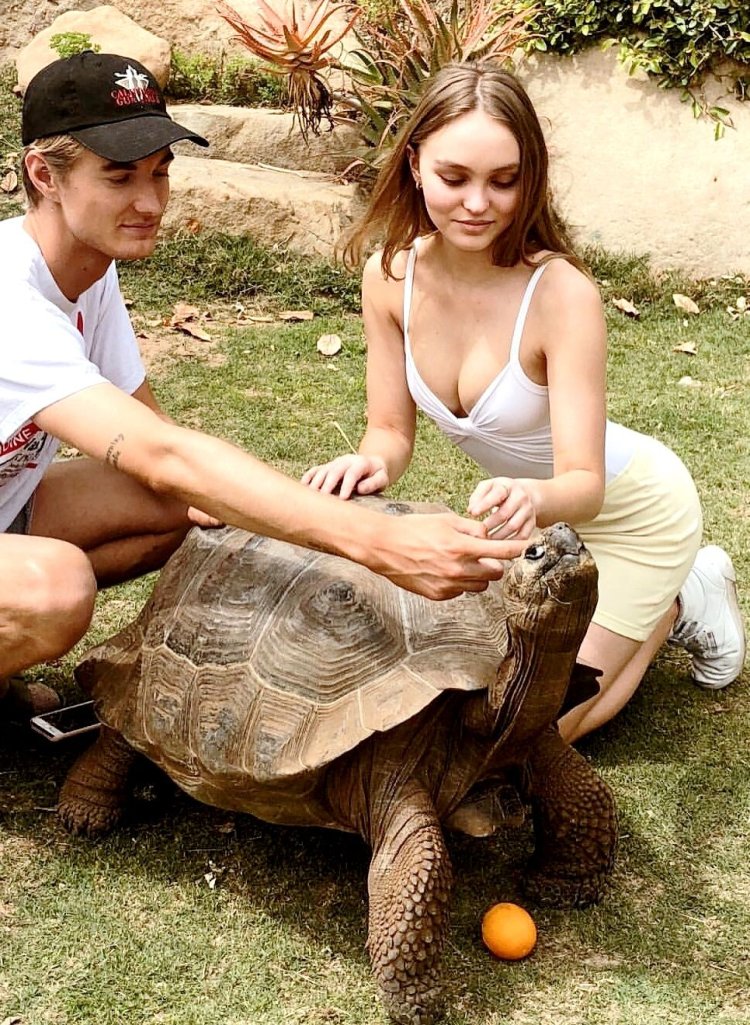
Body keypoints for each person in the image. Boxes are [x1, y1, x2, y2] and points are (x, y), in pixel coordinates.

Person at [0, 52, 528, 721]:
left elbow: (163, 450)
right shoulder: (10, 299)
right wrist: (378, 544)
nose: (149, 201)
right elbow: (161, 454)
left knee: (187, 505)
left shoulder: (89, 271)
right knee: (56, 588)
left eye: (161, 172)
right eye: (120, 176)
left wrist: (253, 508)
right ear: (43, 175)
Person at [302, 61, 746, 742]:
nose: (478, 203)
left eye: (503, 182)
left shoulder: (561, 293)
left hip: (636, 514)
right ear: (416, 164)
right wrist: (365, 464)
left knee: (541, 732)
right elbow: (389, 430)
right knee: (491, 710)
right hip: (538, 525)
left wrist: (533, 500)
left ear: (528, 179)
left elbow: (584, 483)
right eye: (456, 178)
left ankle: (683, 594)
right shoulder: (390, 275)